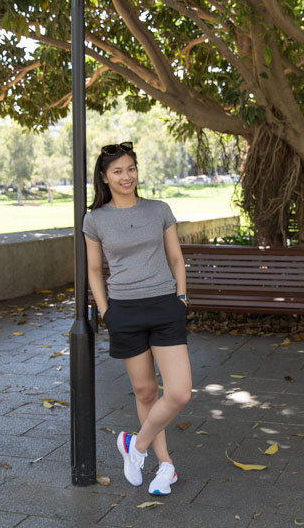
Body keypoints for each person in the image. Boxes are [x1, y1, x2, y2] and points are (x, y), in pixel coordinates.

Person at [83, 141, 191, 496]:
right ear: (104, 177)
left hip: (164, 306)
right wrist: (105, 311)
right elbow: (95, 270)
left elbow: (176, 258)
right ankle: (166, 467)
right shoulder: (95, 219)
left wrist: (181, 297)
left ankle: (136, 445)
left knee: (178, 392)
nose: (126, 176)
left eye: (131, 168)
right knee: (145, 391)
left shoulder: (159, 209)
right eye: (117, 171)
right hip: (124, 311)